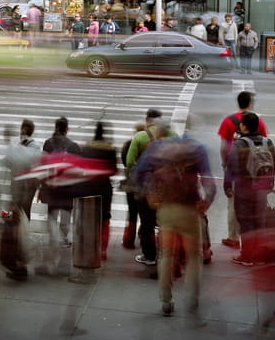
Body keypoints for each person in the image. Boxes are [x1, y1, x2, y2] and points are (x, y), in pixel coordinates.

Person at [136, 131, 216, 315]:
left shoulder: (158, 148)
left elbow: (139, 171)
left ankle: (166, 301)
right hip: (189, 209)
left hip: (166, 209)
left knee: (166, 255)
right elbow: (207, 179)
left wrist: (149, 193)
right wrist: (207, 200)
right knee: (194, 256)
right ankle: (192, 299)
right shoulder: (197, 149)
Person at [126, 109, 179, 266]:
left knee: (147, 222)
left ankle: (149, 255)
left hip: (148, 187)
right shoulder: (174, 137)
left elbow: (130, 162)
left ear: (147, 121)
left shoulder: (140, 136)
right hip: (169, 187)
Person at [218, 91, 268, 249]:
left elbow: (223, 146)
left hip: (238, 174)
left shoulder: (228, 121)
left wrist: (225, 164)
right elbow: (264, 145)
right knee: (258, 209)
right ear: (250, 103)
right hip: (258, 175)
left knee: (234, 205)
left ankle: (233, 237)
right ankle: (257, 243)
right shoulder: (257, 121)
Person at [225, 113, 275, 266]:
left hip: (245, 188)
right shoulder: (268, 143)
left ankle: (247, 256)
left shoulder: (239, 144)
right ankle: (260, 254)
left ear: (244, 126)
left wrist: (227, 185)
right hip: (263, 188)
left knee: (245, 221)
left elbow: (231, 166)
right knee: (260, 220)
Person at [39, 117, 81, 252]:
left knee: (52, 213)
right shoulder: (73, 146)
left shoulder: (48, 144)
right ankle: (64, 238)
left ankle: (52, 239)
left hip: (52, 185)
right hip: (67, 186)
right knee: (66, 214)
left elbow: (42, 165)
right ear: (67, 129)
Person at [78, 122, 118, 260]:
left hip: (88, 186)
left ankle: (89, 246)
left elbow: (81, 167)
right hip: (104, 188)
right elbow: (114, 170)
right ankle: (103, 250)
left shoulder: (86, 148)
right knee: (105, 219)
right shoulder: (110, 149)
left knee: (89, 219)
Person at [3, 119, 42, 221]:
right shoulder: (36, 147)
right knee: (25, 210)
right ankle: (24, 232)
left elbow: (8, 162)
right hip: (29, 185)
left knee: (17, 209)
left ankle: (18, 232)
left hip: (17, 183)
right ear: (32, 131)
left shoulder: (15, 145)